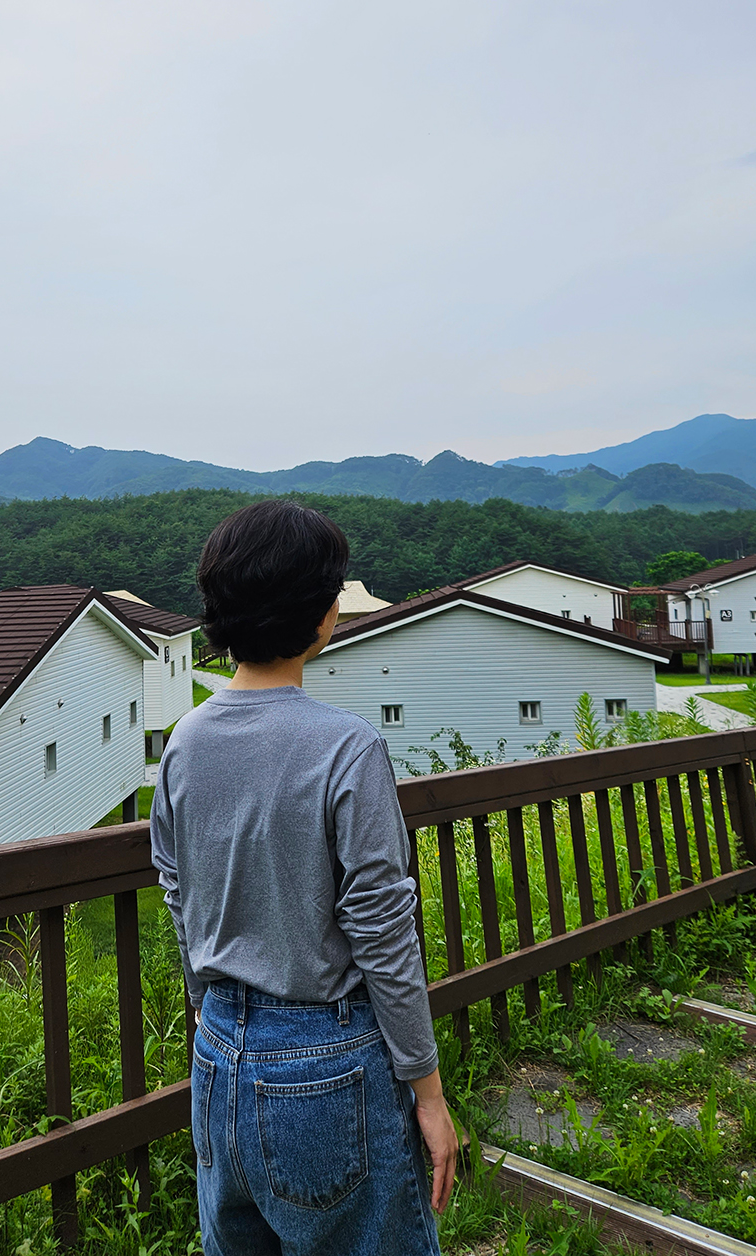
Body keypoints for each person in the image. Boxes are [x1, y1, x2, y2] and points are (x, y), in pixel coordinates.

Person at [151, 499, 458, 1255]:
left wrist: (206, 1007)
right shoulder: (346, 747)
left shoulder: (185, 742)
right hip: (329, 1064)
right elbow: (383, 931)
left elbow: (177, 888)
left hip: (218, 1052)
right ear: (320, 613)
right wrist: (428, 1092)